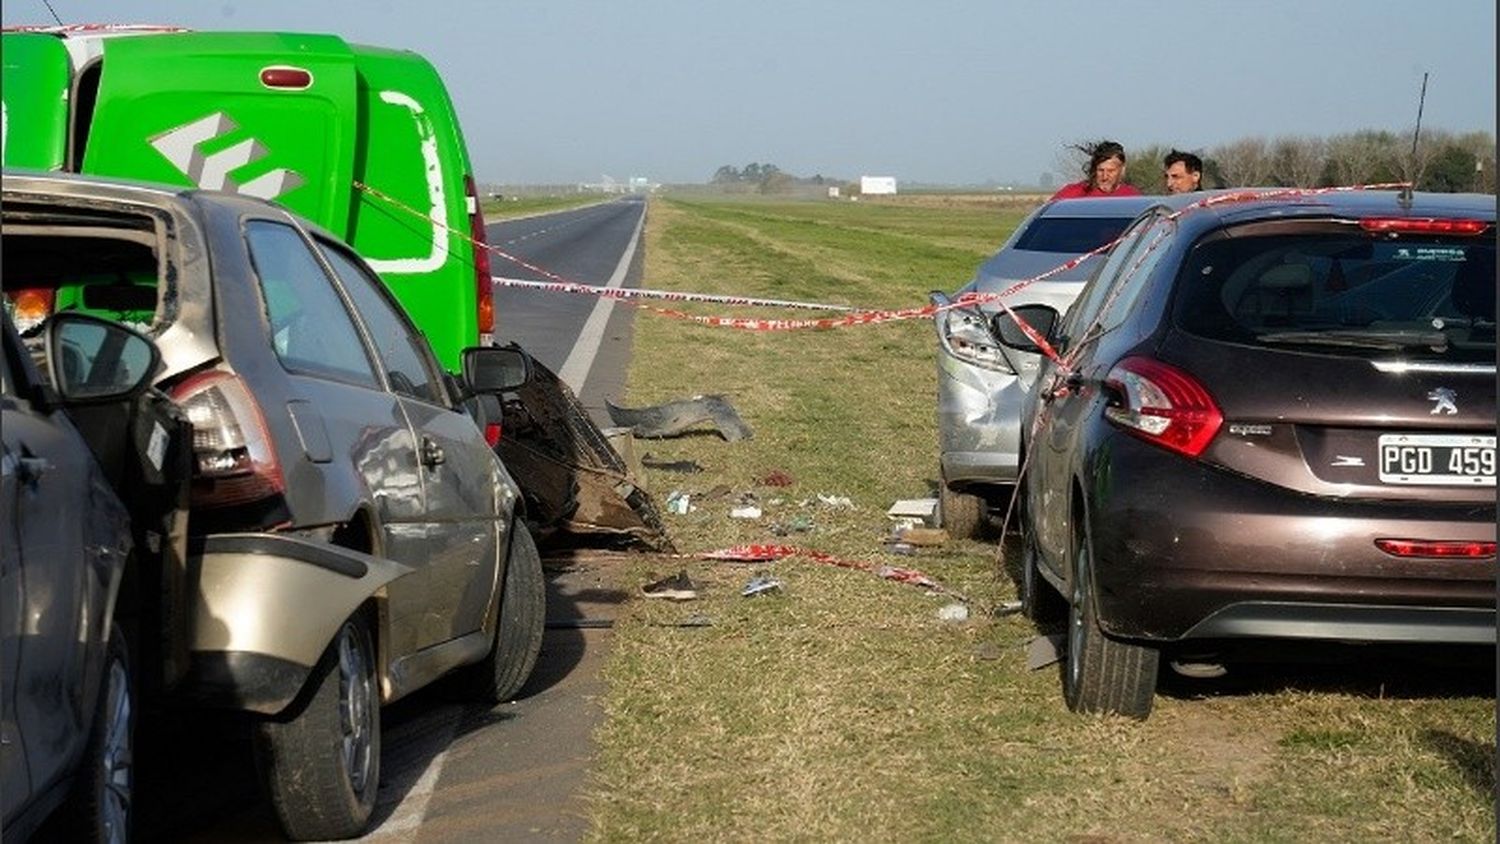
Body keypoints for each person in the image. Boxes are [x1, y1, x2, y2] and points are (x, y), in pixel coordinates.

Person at [1048, 140, 1143, 200]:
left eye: (1111, 171)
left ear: (1122, 170)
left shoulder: (1133, 197)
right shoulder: (1073, 193)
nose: (1105, 177)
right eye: (1101, 170)